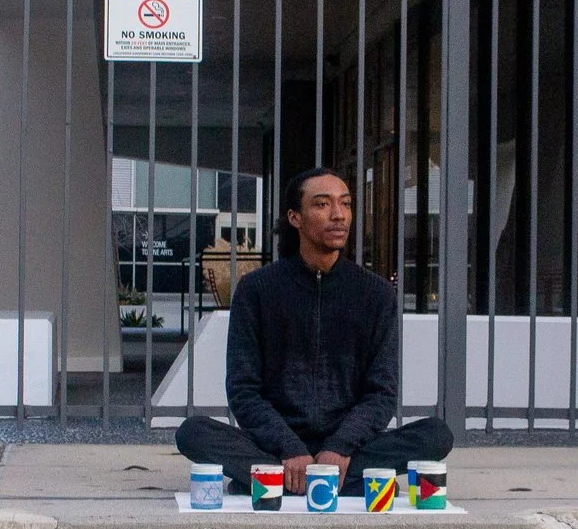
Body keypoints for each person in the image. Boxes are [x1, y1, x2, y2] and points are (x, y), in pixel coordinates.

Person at [176, 166, 453, 495]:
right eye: (322, 205)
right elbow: (243, 390)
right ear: (295, 217)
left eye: (346, 204)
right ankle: (327, 480)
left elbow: (382, 393)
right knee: (192, 432)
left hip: (348, 446)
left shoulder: (375, 294)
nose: (339, 215)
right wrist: (289, 447)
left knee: (437, 435)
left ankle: (283, 479)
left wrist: (340, 447)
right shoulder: (257, 290)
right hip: (275, 443)